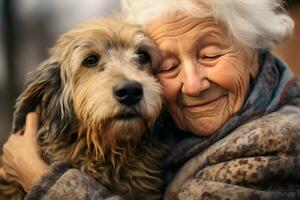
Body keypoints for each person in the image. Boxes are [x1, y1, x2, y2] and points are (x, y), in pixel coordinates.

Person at [1, 0, 300, 199]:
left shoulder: (276, 141)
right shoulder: (175, 130)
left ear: (255, 56)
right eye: (168, 65)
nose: (193, 85)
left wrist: (38, 177)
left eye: (211, 55)